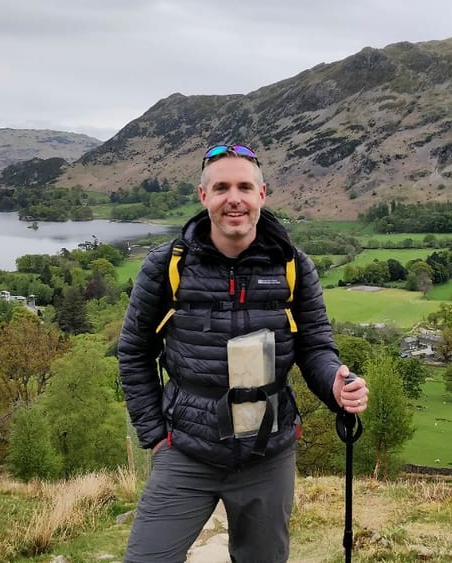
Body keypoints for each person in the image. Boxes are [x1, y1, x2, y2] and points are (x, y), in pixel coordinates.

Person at [118, 144, 369, 562]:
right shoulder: (166, 266)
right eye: (221, 187)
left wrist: (336, 386)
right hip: (185, 450)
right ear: (204, 197)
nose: (233, 197)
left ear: (262, 194)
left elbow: (316, 348)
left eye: (244, 187)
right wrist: (155, 437)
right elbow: (134, 351)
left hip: (268, 454)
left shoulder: (293, 266)